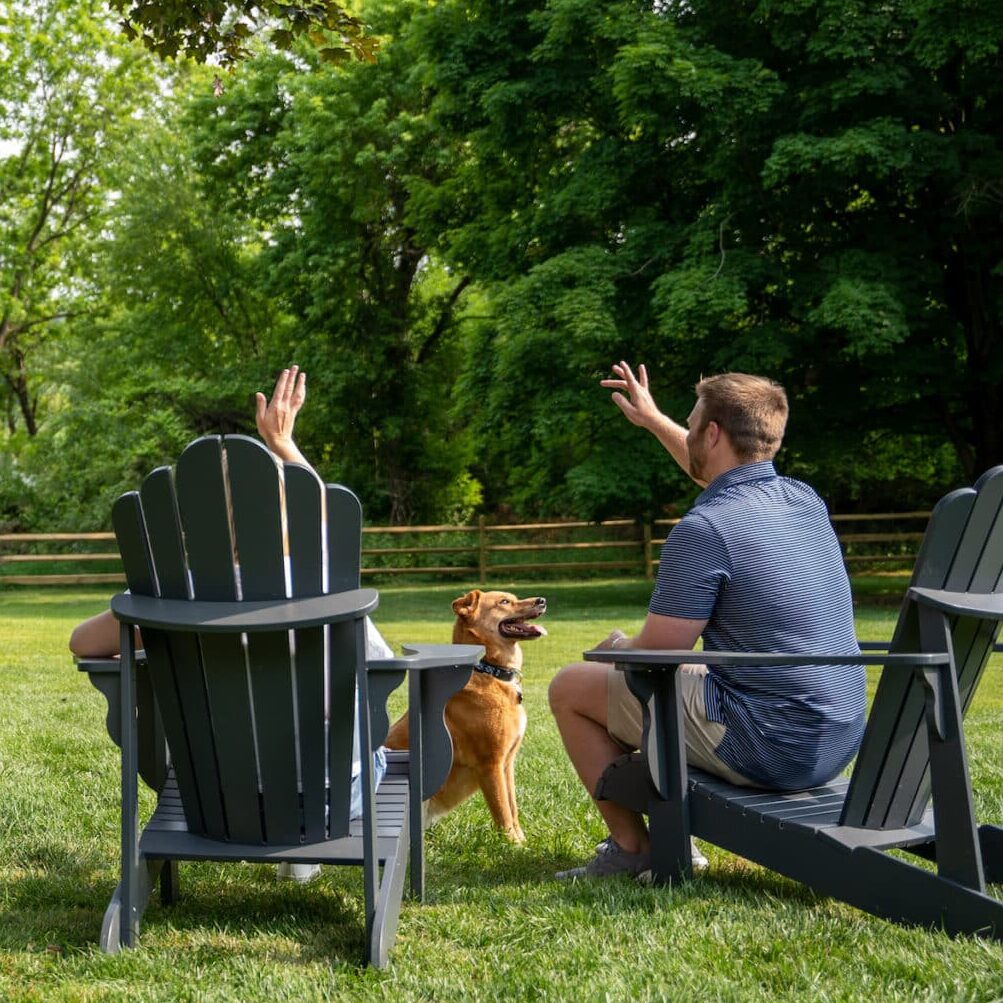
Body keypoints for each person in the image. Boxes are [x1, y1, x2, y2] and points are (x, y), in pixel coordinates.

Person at [70, 366, 390, 882]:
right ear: (286, 507)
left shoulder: (171, 592)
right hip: (333, 796)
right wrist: (285, 445)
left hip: (212, 795)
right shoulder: (327, 578)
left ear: (193, 519)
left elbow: (81, 642)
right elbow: (380, 665)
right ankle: (302, 837)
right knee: (373, 754)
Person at [549, 362, 865, 881]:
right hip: (835, 737)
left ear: (713, 433)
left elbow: (656, 655)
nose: (689, 431)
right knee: (684, 677)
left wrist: (619, 646)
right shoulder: (804, 501)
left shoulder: (703, 529)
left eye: (693, 424)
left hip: (770, 744)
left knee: (571, 687)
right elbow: (712, 470)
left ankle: (634, 848)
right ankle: (659, 837)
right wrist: (655, 421)